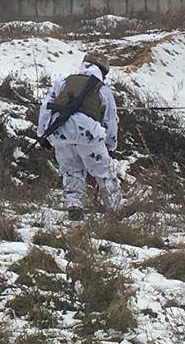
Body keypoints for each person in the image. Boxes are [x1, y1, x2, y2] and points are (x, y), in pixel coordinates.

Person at [36, 52, 125, 221]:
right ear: (102, 71)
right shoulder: (103, 89)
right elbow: (110, 119)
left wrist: (43, 137)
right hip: (88, 133)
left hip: (59, 131)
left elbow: (46, 108)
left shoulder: (63, 82)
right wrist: (110, 145)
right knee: (104, 172)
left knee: (71, 169)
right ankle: (115, 207)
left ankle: (74, 205)